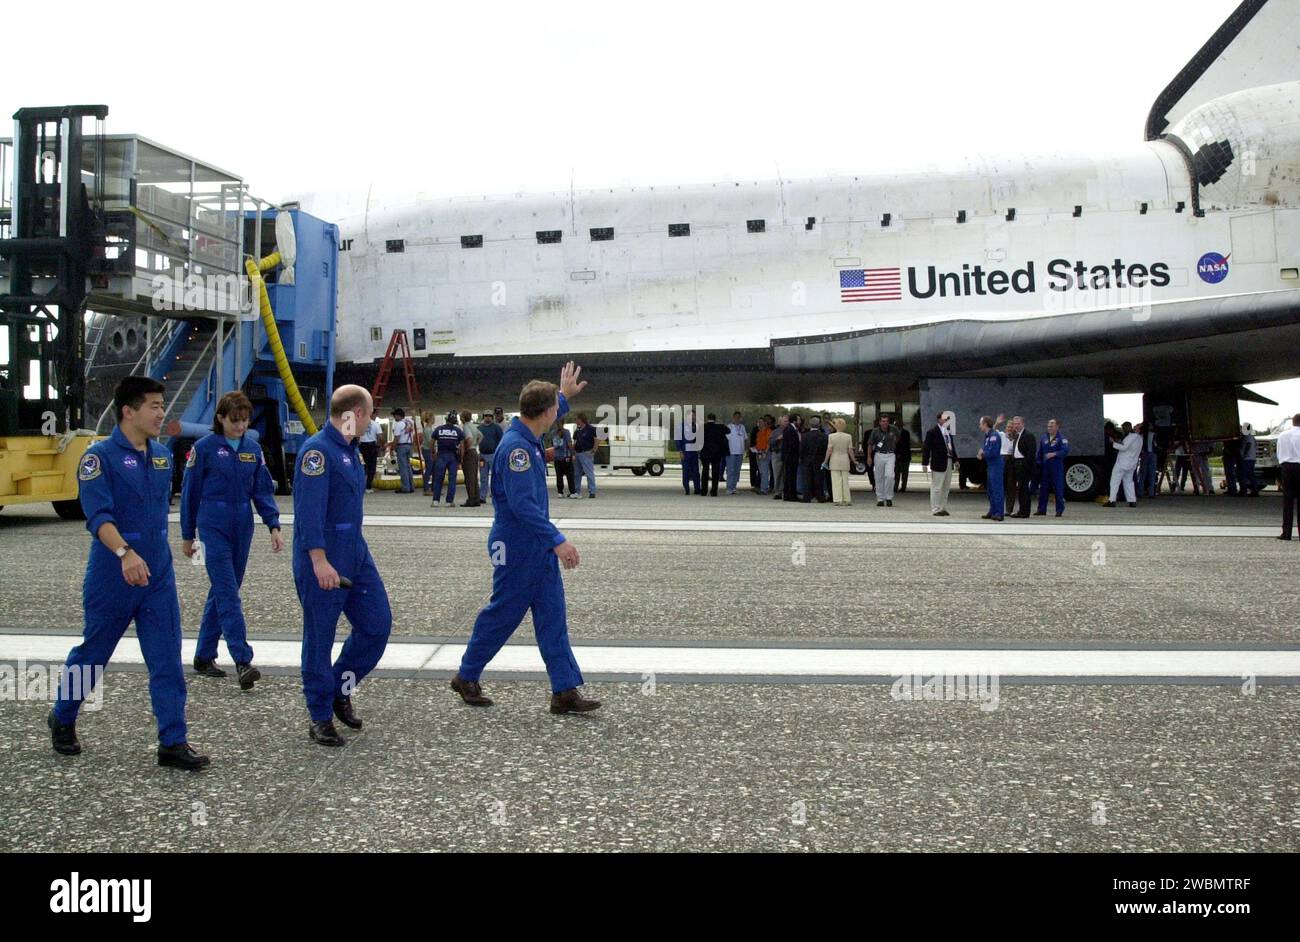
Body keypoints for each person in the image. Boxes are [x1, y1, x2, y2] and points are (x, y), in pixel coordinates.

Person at [48, 376, 208, 769]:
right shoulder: (97, 457)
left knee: (167, 659)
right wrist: (124, 552)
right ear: (128, 411)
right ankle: (63, 715)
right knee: (93, 654)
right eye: (153, 406)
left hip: (156, 577)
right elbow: (97, 515)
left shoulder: (161, 456)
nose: (161, 413)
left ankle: (173, 741)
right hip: (113, 573)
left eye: (161, 405)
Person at [450, 362, 601, 714]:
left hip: (535, 544)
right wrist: (558, 539)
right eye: (556, 409)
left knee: (552, 615)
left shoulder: (528, 436)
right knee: (503, 614)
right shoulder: (518, 450)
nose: (557, 415)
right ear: (546, 413)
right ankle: (466, 675)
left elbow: (546, 412)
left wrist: (563, 395)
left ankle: (564, 690)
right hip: (518, 544)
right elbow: (522, 506)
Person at [293, 385, 393, 746]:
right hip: (322, 559)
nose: (371, 421)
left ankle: (339, 688)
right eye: (369, 414)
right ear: (354, 414)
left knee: (377, 626)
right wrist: (318, 561)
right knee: (319, 639)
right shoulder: (317, 453)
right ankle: (320, 716)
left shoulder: (351, 452)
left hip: (356, 554)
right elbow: (308, 515)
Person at [180, 390, 283, 689]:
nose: (240, 426)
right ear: (221, 418)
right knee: (228, 593)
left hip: (243, 524)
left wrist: (273, 524)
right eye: (234, 420)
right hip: (212, 525)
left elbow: (262, 489)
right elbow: (190, 493)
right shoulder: (204, 448)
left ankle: (203, 655)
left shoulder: (253, 449)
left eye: (244, 420)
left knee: (225, 590)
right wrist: (188, 535)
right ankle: (242, 660)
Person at [921, 411, 957, 516]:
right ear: (939, 420)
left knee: (946, 486)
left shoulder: (948, 432)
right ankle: (936, 508)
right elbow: (926, 448)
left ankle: (943, 507)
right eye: (945, 419)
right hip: (938, 462)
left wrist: (956, 459)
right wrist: (925, 463)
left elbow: (951, 447)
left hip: (948, 460)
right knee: (937, 487)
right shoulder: (932, 432)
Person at [1035, 419, 1070, 516]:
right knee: (1043, 489)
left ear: (1057, 427)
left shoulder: (1061, 438)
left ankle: (1059, 510)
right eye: (1048, 426)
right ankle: (1041, 509)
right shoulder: (1044, 438)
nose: (1049, 428)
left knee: (1058, 489)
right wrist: (1038, 462)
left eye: (1051, 426)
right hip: (1045, 467)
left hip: (1056, 467)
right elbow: (1040, 452)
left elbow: (1065, 451)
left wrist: (1054, 454)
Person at [430, 411, 465, 508]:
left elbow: (432, 442)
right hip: (453, 456)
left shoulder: (438, 429)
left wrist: (433, 453)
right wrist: (461, 459)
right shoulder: (458, 431)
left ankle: (435, 501)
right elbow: (462, 446)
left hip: (441, 455)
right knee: (452, 479)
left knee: (438, 479)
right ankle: (449, 502)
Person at [1104, 421, 1142, 507]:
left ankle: (1112, 500)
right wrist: (1119, 442)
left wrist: (1113, 443)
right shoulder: (1139, 438)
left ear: (1127, 427)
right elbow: (1128, 447)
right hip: (1132, 463)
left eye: (1124, 428)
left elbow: (1124, 447)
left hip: (1122, 463)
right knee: (1129, 482)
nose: (1123, 430)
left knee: (1114, 481)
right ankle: (1132, 501)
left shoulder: (1130, 437)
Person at [977, 415, 1006, 520]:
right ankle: (993, 510)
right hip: (990, 465)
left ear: (985, 424)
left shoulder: (994, 436)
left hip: (996, 465)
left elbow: (993, 452)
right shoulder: (988, 435)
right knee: (990, 490)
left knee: (997, 489)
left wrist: (983, 454)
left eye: (980, 424)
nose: (979, 426)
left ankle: (999, 513)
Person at [867, 415, 899, 507]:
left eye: (887, 421)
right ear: (880, 422)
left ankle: (889, 497)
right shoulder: (875, 431)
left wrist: (893, 444)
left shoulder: (893, 429)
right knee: (879, 477)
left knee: (889, 476)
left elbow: (898, 437)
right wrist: (869, 457)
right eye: (883, 421)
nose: (885, 423)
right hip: (879, 454)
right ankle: (880, 498)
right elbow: (870, 444)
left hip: (890, 454)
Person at [1277, 413, 1300, 540]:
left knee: (1288, 501)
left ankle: (1286, 533)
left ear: (1293, 422)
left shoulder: (1283, 435)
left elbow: (1279, 453)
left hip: (1286, 467)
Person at [799, 415, 829, 502]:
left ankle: (807, 497)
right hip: (819, 460)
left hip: (807, 460)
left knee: (807, 479)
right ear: (819, 425)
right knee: (819, 479)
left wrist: (801, 458)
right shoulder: (823, 436)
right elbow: (825, 448)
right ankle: (820, 497)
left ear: (810, 425)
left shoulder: (805, 436)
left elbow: (802, 449)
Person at [825, 418, 854, 505]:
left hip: (834, 459)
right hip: (845, 459)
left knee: (836, 480)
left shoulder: (831, 436)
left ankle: (838, 499)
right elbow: (850, 450)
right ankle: (847, 499)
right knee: (845, 480)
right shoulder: (848, 436)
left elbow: (829, 450)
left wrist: (825, 460)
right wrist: (853, 460)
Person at [1011, 417, 1035, 517]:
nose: (1016, 426)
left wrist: (1025, 465)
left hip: (1024, 465)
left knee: (1024, 489)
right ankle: (1022, 510)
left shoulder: (1028, 435)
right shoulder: (1017, 435)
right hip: (1017, 463)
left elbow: (1031, 453)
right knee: (1020, 489)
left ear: (1023, 424)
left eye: (1018, 424)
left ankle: (1025, 512)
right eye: (1015, 424)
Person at [459, 409, 483, 507]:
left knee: (469, 477)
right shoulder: (473, 426)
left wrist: (466, 449)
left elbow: (468, 438)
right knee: (474, 477)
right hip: (475, 452)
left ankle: (471, 499)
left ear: (463, 418)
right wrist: (476, 444)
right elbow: (481, 436)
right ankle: (477, 498)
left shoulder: (465, 427)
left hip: (469, 453)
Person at [701, 413, 728, 497]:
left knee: (705, 472)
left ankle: (704, 491)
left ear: (707, 418)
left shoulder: (702, 427)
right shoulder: (720, 427)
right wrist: (720, 424)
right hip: (716, 453)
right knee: (715, 473)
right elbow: (728, 431)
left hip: (705, 452)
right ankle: (714, 491)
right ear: (715, 419)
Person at [477, 410, 503, 501]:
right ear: (483, 417)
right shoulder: (479, 428)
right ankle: (482, 497)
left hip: (493, 455)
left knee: (495, 476)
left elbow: (501, 440)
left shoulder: (496, 428)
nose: (488, 417)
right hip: (482, 456)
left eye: (489, 416)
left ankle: (495, 495)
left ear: (492, 417)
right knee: (483, 477)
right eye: (486, 416)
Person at [390, 407, 416, 493]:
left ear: (398, 416)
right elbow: (414, 420)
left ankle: (405, 487)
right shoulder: (410, 422)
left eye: (395, 416)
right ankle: (411, 486)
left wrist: (392, 447)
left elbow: (397, 437)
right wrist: (413, 414)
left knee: (403, 468)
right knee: (408, 466)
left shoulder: (399, 424)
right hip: (409, 445)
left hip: (402, 446)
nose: (394, 417)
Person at [573, 412, 598, 498]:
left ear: (581, 419)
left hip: (586, 452)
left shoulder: (590, 429)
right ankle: (577, 491)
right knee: (577, 473)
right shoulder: (577, 430)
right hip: (578, 453)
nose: (575, 421)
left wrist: (594, 449)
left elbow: (596, 439)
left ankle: (592, 491)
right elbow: (574, 441)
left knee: (589, 472)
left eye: (576, 419)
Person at [676, 411, 701, 496]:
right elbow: (678, 440)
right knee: (686, 471)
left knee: (696, 472)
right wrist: (680, 451)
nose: (693, 417)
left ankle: (697, 489)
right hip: (685, 452)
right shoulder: (681, 426)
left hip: (693, 452)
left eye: (694, 416)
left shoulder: (695, 426)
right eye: (692, 415)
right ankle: (687, 489)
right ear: (687, 416)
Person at [550, 421, 576, 497]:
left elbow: (553, 444)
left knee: (559, 476)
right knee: (570, 476)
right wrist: (573, 453)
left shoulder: (553, 433)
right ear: (563, 423)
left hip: (557, 457)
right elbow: (569, 444)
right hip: (566, 457)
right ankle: (572, 492)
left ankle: (560, 492)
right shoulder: (566, 432)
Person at [780, 414, 801, 501]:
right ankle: (790, 495)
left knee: (790, 476)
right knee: (790, 476)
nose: (800, 422)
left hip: (789, 457)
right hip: (790, 457)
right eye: (799, 420)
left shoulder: (790, 429)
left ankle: (789, 494)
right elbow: (792, 445)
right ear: (794, 421)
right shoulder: (790, 430)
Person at [725, 411, 747, 495]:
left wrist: (745, 449)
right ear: (733, 418)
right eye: (736, 417)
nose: (737, 419)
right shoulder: (729, 427)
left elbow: (745, 439)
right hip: (731, 452)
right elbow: (726, 440)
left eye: (739, 417)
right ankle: (729, 488)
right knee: (731, 470)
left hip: (740, 452)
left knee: (737, 471)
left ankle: (734, 487)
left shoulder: (742, 427)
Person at [359, 415, 382, 492]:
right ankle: (368, 487)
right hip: (372, 446)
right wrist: (379, 446)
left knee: (362, 466)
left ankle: (360, 486)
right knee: (372, 467)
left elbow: (356, 436)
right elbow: (380, 437)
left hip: (362, 447)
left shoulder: (360, 423)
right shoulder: (376, 424)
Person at [1238, 423, 1260, 497]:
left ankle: (1243, 491)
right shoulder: (1252, 436)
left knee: (1243, 475)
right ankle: (1255, 490)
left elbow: (1248, 445)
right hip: (1252, 458)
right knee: (1251, 475)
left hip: (1247, 458)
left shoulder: (1247, 436)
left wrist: (1244, 454)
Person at [419, 409, 436, 496]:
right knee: (429, 469)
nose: (434, 419)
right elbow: (430, 442)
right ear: (430, 419)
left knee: (432, 469)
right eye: (433, 418)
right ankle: (426, 488)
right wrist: (433, 451)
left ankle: (432, 488)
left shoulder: (428, 429)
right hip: (428, 450)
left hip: (426, 449)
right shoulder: (428, 430)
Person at [755, 416, 773, 495]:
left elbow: (769, 442)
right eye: (758, 422)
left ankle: (764, 489)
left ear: (765, 423)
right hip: (758, 453)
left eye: (761, 422)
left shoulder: (768, 431)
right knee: (761, 472)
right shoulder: (758, 432)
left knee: (765, 471)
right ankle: (763, 487)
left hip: (765, 453)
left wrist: (765, 452)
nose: (759, 424)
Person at [894, 425, 912, 493]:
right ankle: (895, 487)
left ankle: (903, 487)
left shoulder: (905, 433)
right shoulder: (894, 433)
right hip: (897, 456)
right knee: (896, 473)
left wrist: (900, 453)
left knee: (904, 473)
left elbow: (906, 444)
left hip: (905, 456)